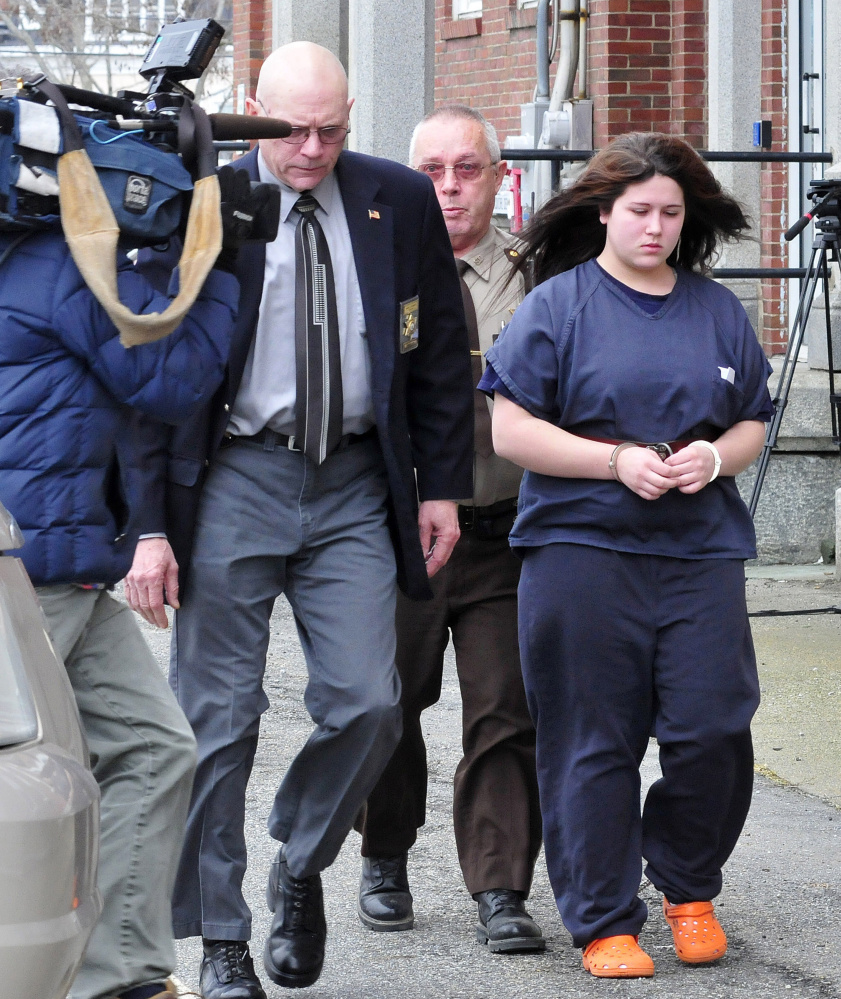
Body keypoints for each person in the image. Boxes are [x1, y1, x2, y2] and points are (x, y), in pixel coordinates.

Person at [125, 41, 473, 999]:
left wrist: (439, 482)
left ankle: (298, 859)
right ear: (250, 109)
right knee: (217, 721)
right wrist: (148, 526)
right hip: (235, 474)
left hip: (357, 480)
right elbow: (148, 376)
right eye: (293, 129)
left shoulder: (395, 200)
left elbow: (438, 345)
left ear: (352, 115)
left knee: (370, 700)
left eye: (332, 128)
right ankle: (223, 936)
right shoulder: (202, 196)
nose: (312, 148)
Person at [0, 189, 241, 998]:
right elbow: (174, 378)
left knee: (153, 748)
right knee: (25, 786)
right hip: (27, 569)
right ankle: (64, 972)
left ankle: (120, 973)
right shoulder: (66, 269)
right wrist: (215, 260)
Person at [482, 131, 773, 979]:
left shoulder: (716, 309)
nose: (654, 228)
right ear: (603, 210)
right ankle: (604, 918)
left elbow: (751, 416)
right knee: (590, 738)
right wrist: (616, 459)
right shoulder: (557, 306)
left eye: (670, 214)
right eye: (638, 211)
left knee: (713, 724)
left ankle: (686, 885)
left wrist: (715, 458)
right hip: (579, 550)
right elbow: (509, 427)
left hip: (698, 551)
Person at [354, 105, 544, 955]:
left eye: (467, 168)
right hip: (404, 537)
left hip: (506, 533)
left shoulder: (538, 274)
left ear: (499, 178)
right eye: (431, 169)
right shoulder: (376, 266)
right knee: (390, 703)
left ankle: (500, 886)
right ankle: (384, 854)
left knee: (504, 711)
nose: (449, 186)